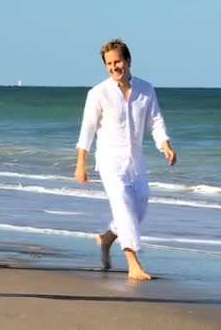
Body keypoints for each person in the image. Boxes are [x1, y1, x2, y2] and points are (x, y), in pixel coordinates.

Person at [75, 39, 176, 280]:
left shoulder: (146, 89)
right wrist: (81, 163)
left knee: (138, 209)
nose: (113, 67)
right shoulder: (98, 93)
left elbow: (155, 121)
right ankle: (133, 263)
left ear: (128, 61)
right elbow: (87, 130)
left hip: (136, 162)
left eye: (117, 61)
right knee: (123, 207)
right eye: (108, 63)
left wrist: (166, 145)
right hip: (110, 161)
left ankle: (106, 238)